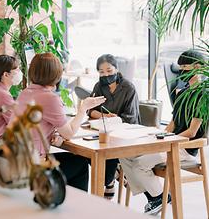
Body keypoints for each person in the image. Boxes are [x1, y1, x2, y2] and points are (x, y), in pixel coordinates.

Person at [120, 49, 206, 215]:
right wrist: (158, 136)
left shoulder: (203, 96)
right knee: (125, 154)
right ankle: (156, 198)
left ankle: (159, 197)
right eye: (180, 67)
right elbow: (172, 124)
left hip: (184, 149)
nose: (181, 71)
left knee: (140, 164)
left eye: (185, 67)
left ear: (198, 67)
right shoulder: (183, 93)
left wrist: (166, 140)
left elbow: (191, 132)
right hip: (169, 143)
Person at [11, 52, 105, 191]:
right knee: (79, 164)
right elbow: (69, 133)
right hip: (33, 166)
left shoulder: (25, 93)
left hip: (15, 161)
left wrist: (52, 132)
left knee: (71, 161)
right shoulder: (49, 98)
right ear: (56, 75)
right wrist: (83, 108)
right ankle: (76, 209)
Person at [88, 54, 140, 199]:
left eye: (109, 71)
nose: (106, 75)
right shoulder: (99, 86)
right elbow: (90, 110)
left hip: (125, 134)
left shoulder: (128, 87)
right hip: (103, 131)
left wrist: (115, 119)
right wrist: (104, 116)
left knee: (104, 152)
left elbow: (130, 118)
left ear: (116, 69)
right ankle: (112, 177)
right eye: (101, 72)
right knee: (87, 152)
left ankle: (109, 179)